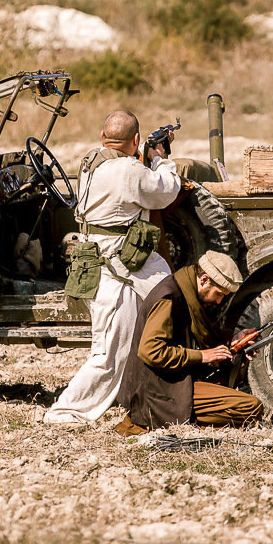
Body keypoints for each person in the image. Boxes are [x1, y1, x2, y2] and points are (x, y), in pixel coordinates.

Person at [44, 110, 182, 424]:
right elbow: (165, 189)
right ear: (136, 140)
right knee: (108, 352)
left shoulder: (93, 161)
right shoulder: (128, 170)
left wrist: (141, 157)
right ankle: (66, 411)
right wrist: (160, 158)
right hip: (115, 269)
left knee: (168, 293)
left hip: (120, 264)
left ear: (103, 138)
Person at [116, 251, 262, 433]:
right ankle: (181, 422)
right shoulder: (169, 298)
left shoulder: (188, 292)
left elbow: (196, 337)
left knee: (233, 382)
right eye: (219, 294)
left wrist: (234, 341)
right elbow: (150, 351)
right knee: (251, 407)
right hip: (160, 390)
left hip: (179, 379)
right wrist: (201, 356)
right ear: (204, 280)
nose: (219, 301)